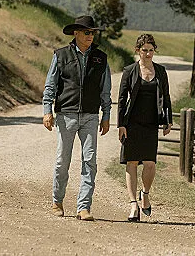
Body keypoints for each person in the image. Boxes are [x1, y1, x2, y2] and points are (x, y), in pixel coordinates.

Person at [42, 15, 112, 221]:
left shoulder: (101, 58)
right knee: (62, 161)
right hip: (66, 115)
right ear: (76, 33)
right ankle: (57, 201)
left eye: (93, 33)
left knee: (89, 161)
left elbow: (105, 91)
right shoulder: (60, 55)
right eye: (87, 32)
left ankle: (84, 207)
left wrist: (106, 115)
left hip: (91, 116)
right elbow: (50, 86)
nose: (91, 36)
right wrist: (48, 110)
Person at [117, 33, 173, 222]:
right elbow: (122, 99)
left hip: (151, 123)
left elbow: (166, 96)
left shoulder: (161, 71)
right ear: (138, 51)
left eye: (151, 50)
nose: (148, 54)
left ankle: (145, 194)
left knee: (150, 162)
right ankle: (133, 204)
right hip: (132, 123)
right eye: (144, 50)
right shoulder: (129, 71)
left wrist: (168, 120)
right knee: (131, 162)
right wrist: (121, 125)